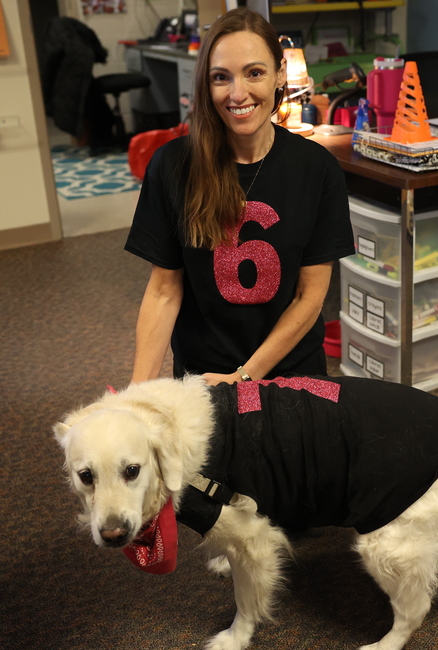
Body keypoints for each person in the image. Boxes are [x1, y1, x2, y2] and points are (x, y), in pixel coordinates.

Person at [125, 8, 354, 386]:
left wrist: (244, 377)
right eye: (221, 77)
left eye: (255, 73)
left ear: (280, 73)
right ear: (206, 82)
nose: (238, 94)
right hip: (202, 379)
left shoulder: (317, 169)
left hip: (291, 375)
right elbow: (164, 291)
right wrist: (136, 397)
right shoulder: (173, 165)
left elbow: (308, 298)